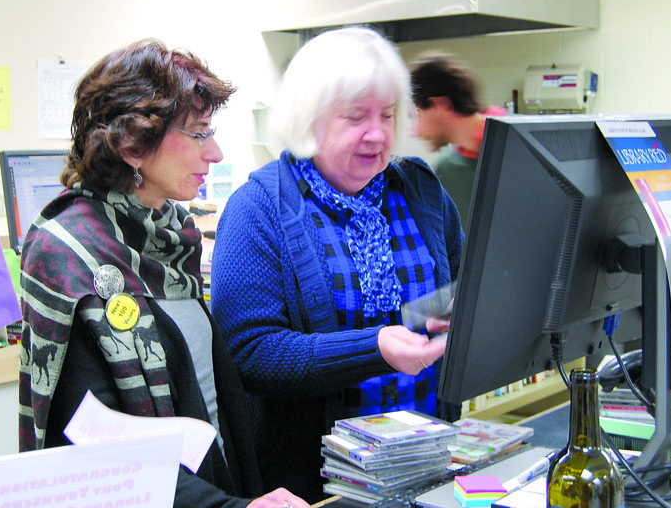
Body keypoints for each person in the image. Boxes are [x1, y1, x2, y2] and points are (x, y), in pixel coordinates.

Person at [18, 38, 308, 508]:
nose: (213, 152)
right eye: (198, 133)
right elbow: (92, 447)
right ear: (133, 143)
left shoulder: (171, 236)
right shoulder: (67, 252)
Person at [210, 27, 464, 503]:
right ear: (308, 119)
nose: (378, 133)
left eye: (387, 115)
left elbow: (465, 289)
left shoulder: (422, 191)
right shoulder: (259, 208)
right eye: (355, 118)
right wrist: (376, 347)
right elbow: (249, 354)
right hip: (318, 487)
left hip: (429, 468)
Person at [410, 53, 508, 227]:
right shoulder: (446, 170)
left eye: (417, 116)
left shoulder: (514, 148)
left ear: (439, 106)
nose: (415, 132)